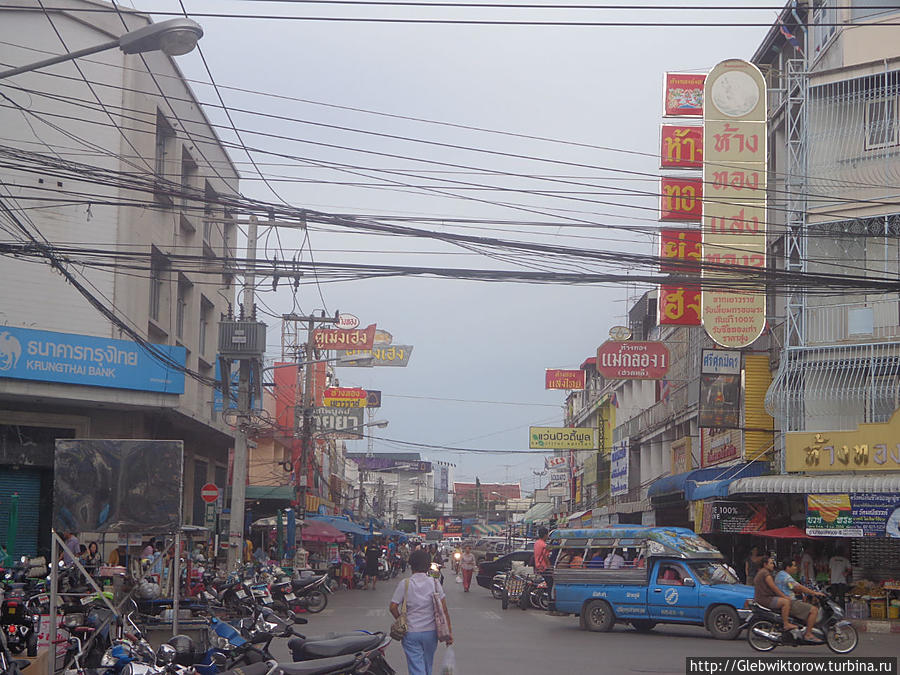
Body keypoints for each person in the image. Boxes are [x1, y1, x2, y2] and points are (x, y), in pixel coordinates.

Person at [389, 549, 452, 675]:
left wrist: (401, 619)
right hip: (431, 633)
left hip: (411, 632)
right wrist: (449, 632)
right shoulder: (434, 583)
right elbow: (444, 609)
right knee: (427, 664)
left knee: (416, 667)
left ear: (411, 565)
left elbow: (393, 607)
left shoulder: (405, 584)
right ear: (428, 566)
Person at [775, 560, 826, 642]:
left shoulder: (780, 574)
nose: (796, 568)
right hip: (790, 602)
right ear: (788, 567)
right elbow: (797, 587)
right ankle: (808, 634)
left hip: (786, 601)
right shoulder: (786, 577)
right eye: (794, 566)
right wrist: (814, 593)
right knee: (814, 610)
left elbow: (792, 587)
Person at [754, 557, 799, 633]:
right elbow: (774, 588)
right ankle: (786, 624)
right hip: (766, 599)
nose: (773, 565)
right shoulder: (766, 574)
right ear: (765, 564)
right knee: (786, 602)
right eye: (771, 563)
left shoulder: (761, 572)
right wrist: (785, 597)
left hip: (762, 598)